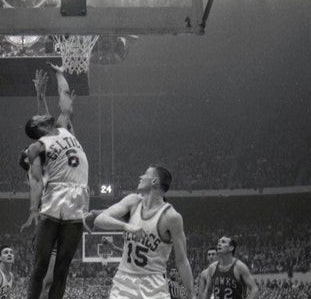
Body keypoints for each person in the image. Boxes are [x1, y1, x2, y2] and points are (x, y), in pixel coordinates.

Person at [20, 63, 90, 299]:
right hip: (55, 196)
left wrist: (60, 74)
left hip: (78, 196)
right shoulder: (37, 146)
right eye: (40, 116)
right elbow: (36, 180)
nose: (45, 114)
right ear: (37, 126)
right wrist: (33, 209)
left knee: (62, 269)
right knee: (41, 269)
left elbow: (65, 100)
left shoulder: (63, 128)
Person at [94, 165, 195, 299]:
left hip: (154, 284)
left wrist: (191, 294)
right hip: (124, 281)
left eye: (145, 174)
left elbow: (182, 260)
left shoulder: (171, 217)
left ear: (154, 181)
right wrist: (127, 226)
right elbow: (100, 219)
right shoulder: (133, 201)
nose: (140, 177)